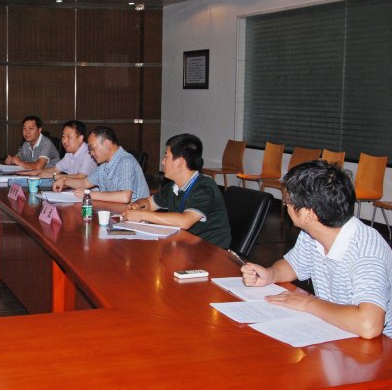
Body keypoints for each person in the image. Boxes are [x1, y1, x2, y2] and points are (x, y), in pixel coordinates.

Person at [241, 160, 392, 339]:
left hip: (379, 347)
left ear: (308, 215)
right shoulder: (313, 233)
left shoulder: (366, 251)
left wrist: (308, 304)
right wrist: (270, 274)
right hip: (335, 330)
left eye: (287, 201)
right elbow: (293, 265)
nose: (285, 205)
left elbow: (369, 325)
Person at [122, 133, 230, 249]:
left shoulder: (204, 188)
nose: (163, 162)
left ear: (180, 162)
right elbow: (149, 203)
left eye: (166, 156)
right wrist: (137, 206)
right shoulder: (174, 186)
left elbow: (185, 221)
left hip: (210, 251)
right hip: (185, 245)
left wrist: (142, 215)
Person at [52, 126, 149, 203]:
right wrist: (64, 180)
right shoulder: (104, 165)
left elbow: (125, 197)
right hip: (114, 211)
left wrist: (88, 194)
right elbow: (85, 182)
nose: (91, 153)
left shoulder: (125, 161)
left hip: (134, 216)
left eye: (92, 148)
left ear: (107, 144)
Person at [18, 120, 97, 180]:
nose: (64, 141)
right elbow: (55, 169)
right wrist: (35, 172)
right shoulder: (69, 154)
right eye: (63, 136)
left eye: (68, 137)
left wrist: (54, 176)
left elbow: (81, 177)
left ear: (80, 138)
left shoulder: (89, 153)